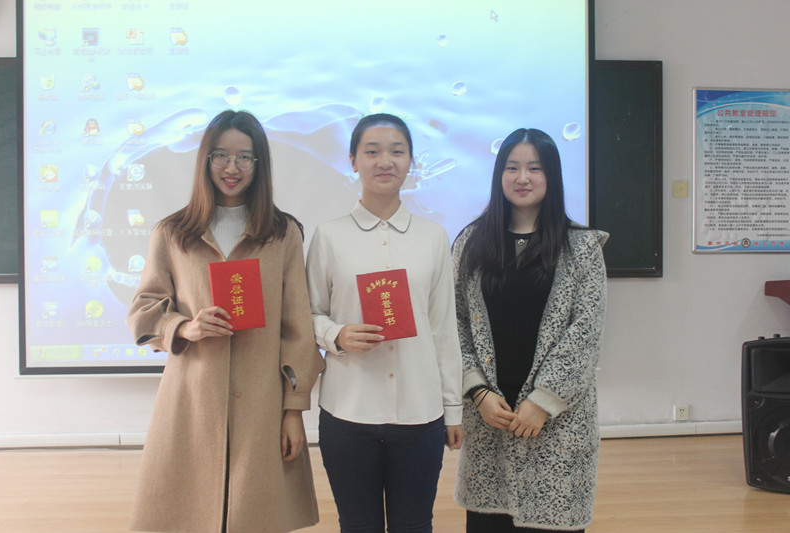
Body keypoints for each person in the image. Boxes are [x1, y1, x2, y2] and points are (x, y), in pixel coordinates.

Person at [127, 110, 325, 533]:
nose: (231, 168)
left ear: (259, 163)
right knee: (186, 516)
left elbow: (297, 328)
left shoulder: (282, 233)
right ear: (205, 159)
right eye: (220, 155)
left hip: (262, 404)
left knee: (256, 517)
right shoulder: (173, 232)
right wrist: (184, 327)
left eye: (244, 157)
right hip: (191, 400)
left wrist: (294, 410)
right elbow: (144, 308)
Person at [305, 113, 463, 532]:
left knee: (415, 524)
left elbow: (443, 328)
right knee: (358, 525)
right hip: (348, 411)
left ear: (411, 161)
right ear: (353, 160)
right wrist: (336, 334)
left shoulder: (433, 236)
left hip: (420, 413)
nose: (385, 161)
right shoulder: (329, 235)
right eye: (372, 151)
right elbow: (307, 313)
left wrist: (452, 409)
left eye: (397, 151)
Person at [452, 128, 607, 532]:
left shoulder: (581, 247)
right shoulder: (471, 242)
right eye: (512, 168)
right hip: (491, 418)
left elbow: (586, 331)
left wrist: (542, 401)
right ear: (499, 175)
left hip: (557, 421)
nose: (523, 178)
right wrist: (478, 391)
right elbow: (455, 322)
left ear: (551, 176)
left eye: (535, 168)